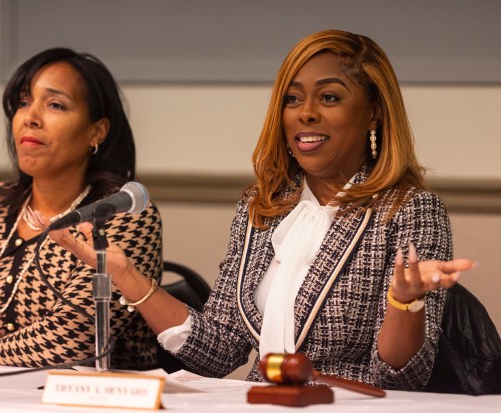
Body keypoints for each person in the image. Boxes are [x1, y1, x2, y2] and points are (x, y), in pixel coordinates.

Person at [47, 30, 475, 390]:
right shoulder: (263, 206)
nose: (305, 114)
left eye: (328, 98)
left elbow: (402, 377)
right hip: (257, 401)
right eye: (292, 99)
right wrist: (122, 272)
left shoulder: (409, 209)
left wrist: (404, 302)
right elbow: (217, 349)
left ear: (374, 114)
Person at [0, 48, 162, 369]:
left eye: (55, 105)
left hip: (88, 398)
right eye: (23, 103)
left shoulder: (122, 214)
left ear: (97, 131)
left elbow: (74, 340)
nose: (30, 117)